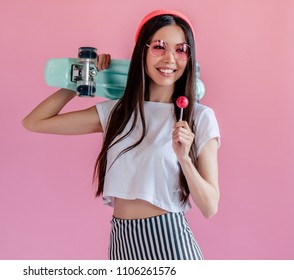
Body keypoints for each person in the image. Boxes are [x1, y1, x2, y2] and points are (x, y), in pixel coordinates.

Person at [22, 9, 220, 260]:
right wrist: (84, 75)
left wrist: (185, 159)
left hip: (170, 243)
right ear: (143, 51)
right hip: (121, 241)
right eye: (159, 47)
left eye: (181, 50)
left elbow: (210, 206)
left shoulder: (198, 117)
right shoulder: (118, 111)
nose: (170, 58)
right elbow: (35, 122)